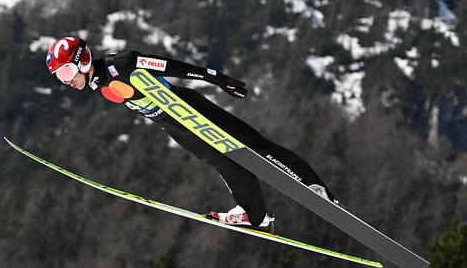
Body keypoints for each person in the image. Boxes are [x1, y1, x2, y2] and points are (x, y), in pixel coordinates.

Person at [45, 37, 336, 229]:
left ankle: (311, 184)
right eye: (60, 77)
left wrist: (217, 79)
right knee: (224, 162)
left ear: (83, 61)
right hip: (176, 127)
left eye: (67, 73)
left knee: (253, 147)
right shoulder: (95, 83)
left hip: (191, 109)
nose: (66, 81)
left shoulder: (119, 64)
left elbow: (172, 66)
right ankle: (254, 214)